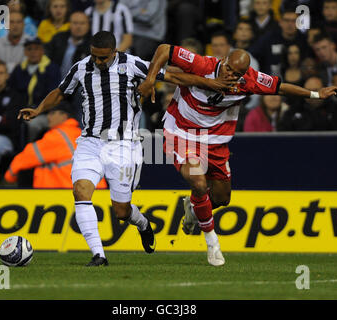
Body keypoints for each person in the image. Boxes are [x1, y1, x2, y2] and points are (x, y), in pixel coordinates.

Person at [17, 31, 230, 266]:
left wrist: (212, 83)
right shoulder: (80, 68)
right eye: (94, 57)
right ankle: (99, 255)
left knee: (121, 211)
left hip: (123, 145)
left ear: (114, 52)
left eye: (103, 58)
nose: (98, 62)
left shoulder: (133, 64)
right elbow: (60, 92)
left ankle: (143, 224)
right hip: (89, 142)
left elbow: (174, 77)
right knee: (80, 191)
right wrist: (38, 109)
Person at [138, 44, 337, 266]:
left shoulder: (250, 81)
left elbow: (281, 87)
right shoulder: (202, 64)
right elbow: (164, 49)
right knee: (197, 180)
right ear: (223, 60)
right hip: (184, 133)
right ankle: (212, 243)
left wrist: (315, 93)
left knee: (222, 199)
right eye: (229, 69)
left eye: (237, 74)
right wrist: (149, 80)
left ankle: (194, 209)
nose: (231, 75)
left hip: (216, 142)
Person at [4, 102, 103, 188]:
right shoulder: (79, 134)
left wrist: (9, 177)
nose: (48, 117)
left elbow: (25, 158)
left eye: (52, 113)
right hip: (95, 193)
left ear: (64, 115)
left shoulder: (58, 136)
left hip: (68, 193)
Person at [9, 37, 61, 143]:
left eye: (36, 48)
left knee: (32, 125)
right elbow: (13, 92)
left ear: (42, 51)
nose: (33, 52)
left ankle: (30, 149)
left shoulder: (52, 69)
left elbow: (54, 96)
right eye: (29, 49)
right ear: (25, 52)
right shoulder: (19, 69)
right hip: (22, 110)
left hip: (44, 112)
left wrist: (37, 110)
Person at [45, 11, 92, 75]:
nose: (78, 26)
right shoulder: (58, 38)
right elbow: (46, 58)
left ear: (88, 26)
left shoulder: (93, 45)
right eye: (75, 23)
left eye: (82, 23)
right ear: (69, 25)